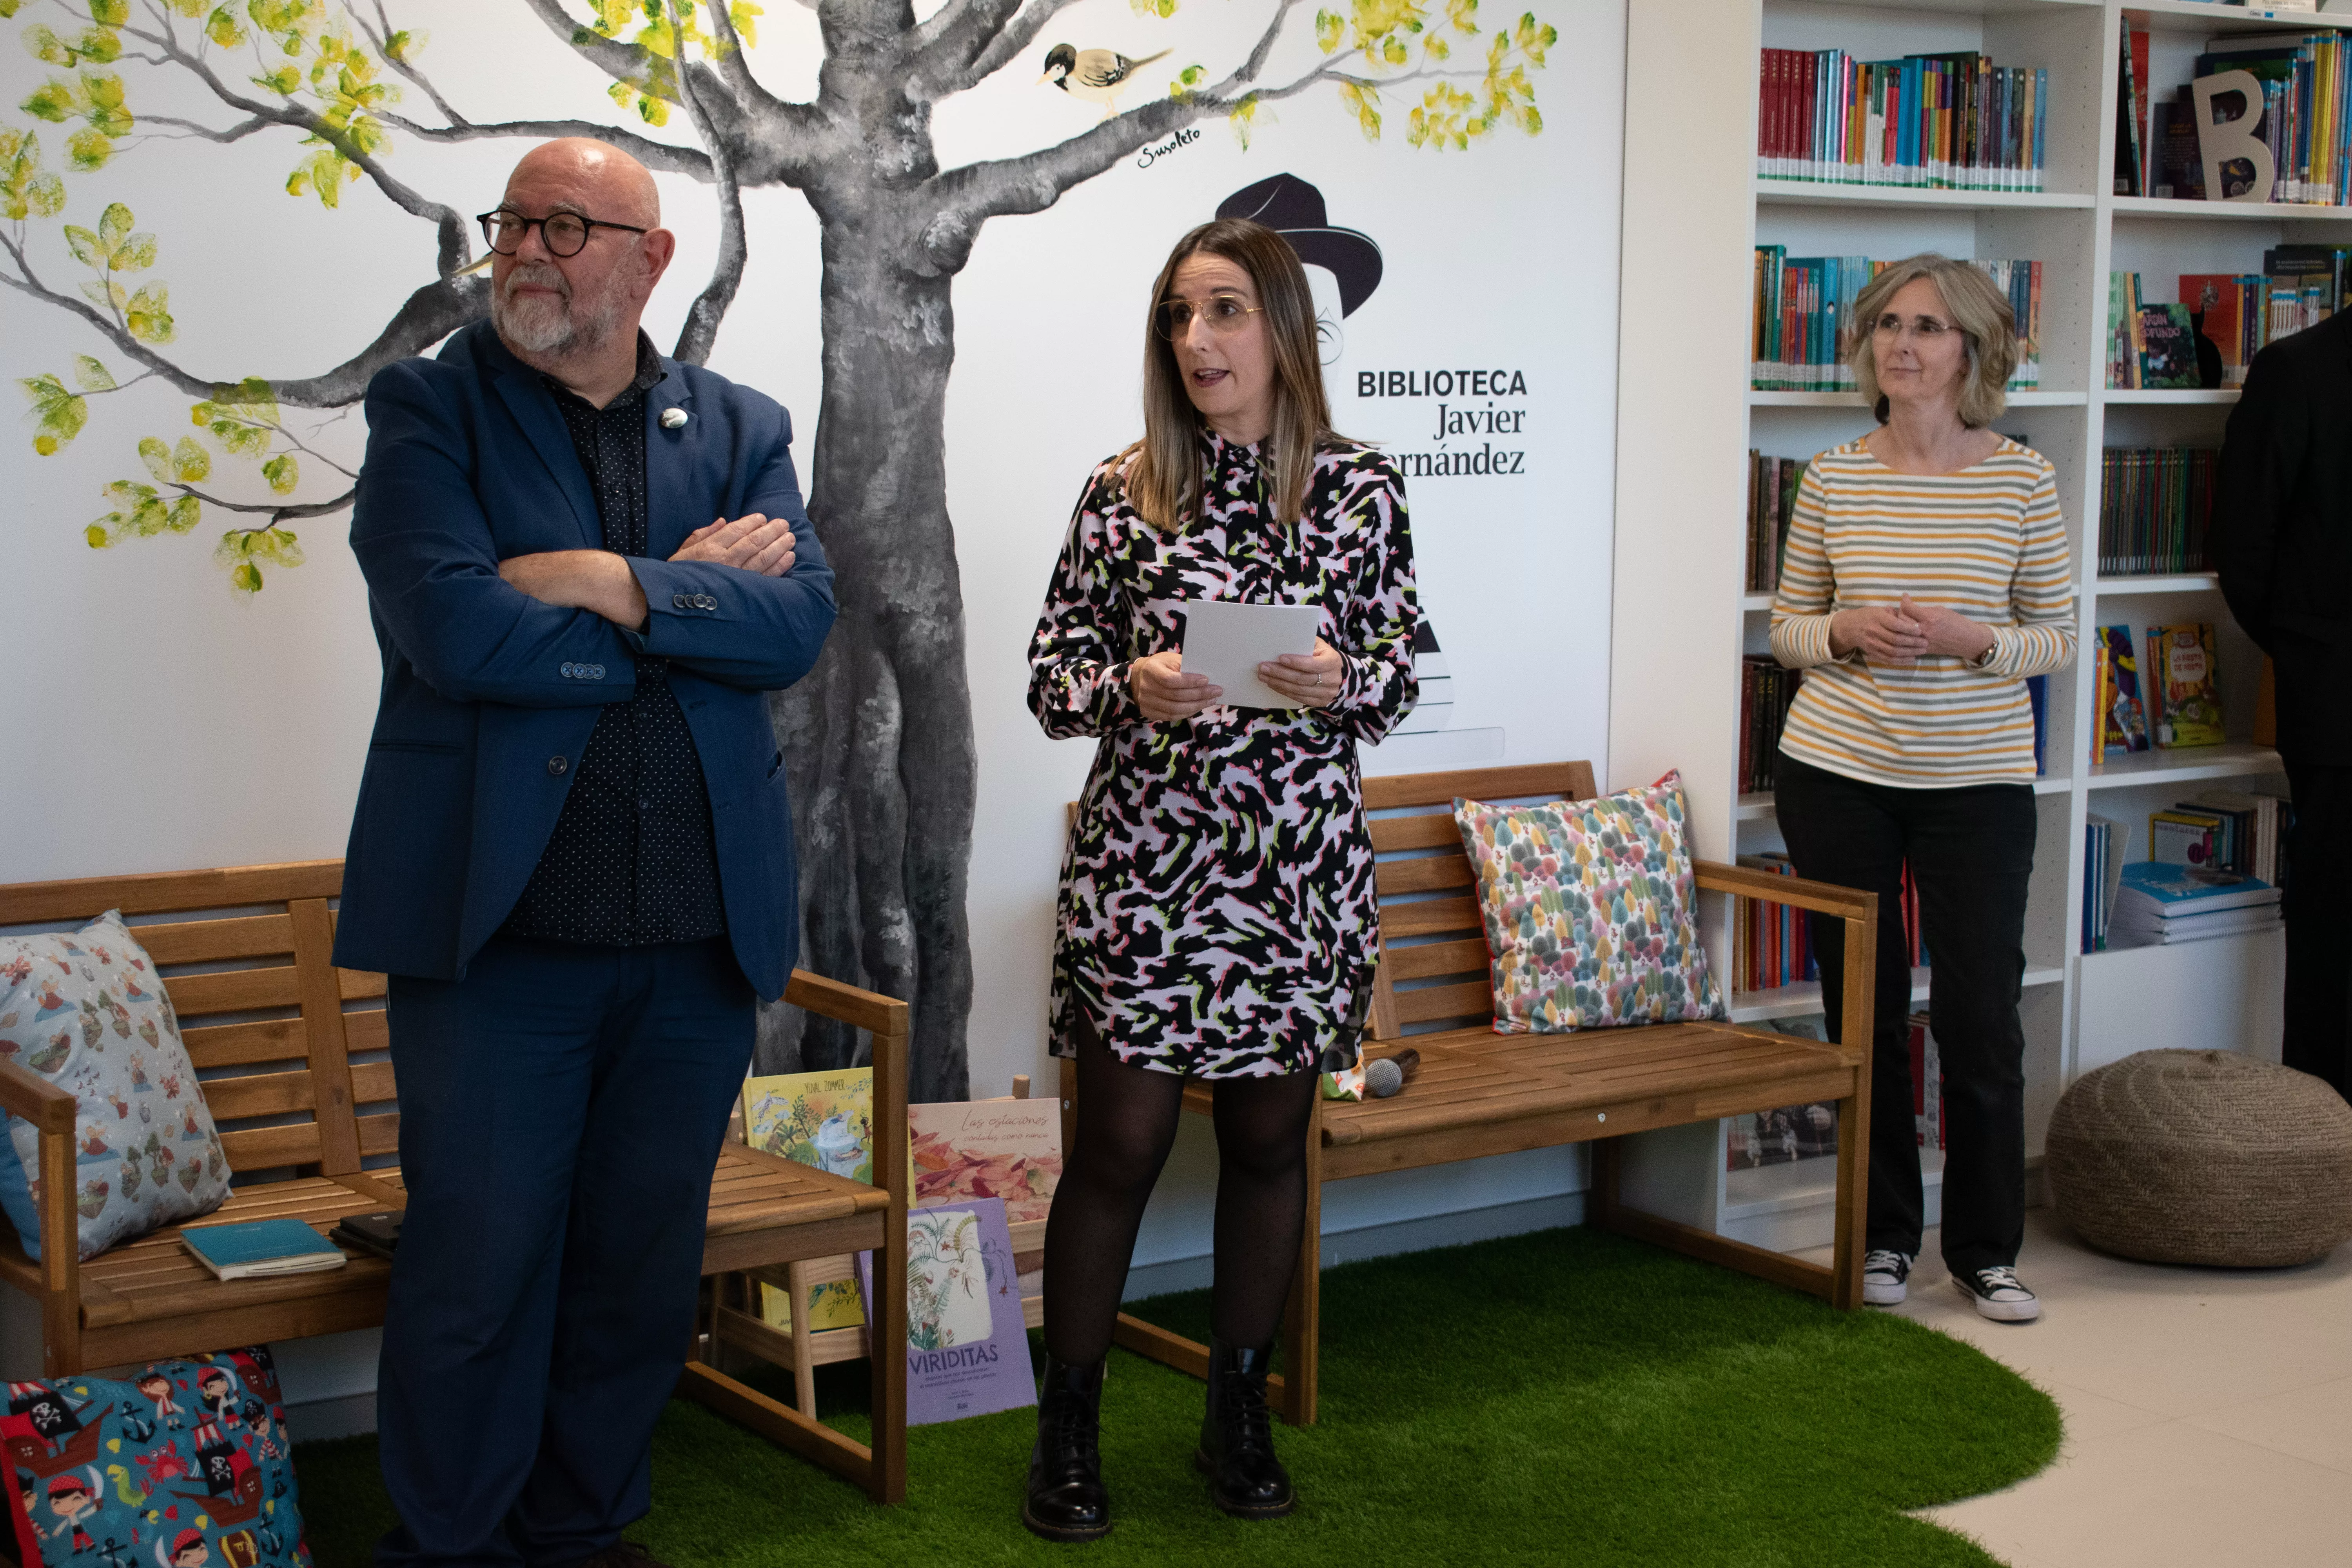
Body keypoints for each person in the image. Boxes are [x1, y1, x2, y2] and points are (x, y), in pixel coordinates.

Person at [330, 138, 835, 1568]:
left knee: (635, 1269)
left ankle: (583, 1530)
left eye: (564, 228)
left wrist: (607, 582)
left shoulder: (738, 428)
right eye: (514, 225)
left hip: (693, 944)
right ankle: (451, 1544)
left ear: (649, 258)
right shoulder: (430, 410)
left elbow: (797, 627)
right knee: (478, 1270)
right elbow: (456, 633)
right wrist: (684, 614)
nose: (525, 253)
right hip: (500, 945)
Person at [1022, 217, 1419, 1540]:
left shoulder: (1361, 491)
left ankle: (1235, 1414)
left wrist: (1340, 680)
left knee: (1264, 1142)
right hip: (1148, 869)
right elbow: (1051, 683)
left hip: (1295, 871)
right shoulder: (1121, 490)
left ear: (1285, 330)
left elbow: (1396, 681)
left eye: (1226, 311)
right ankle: (1068, 1430)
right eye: (1180, 316)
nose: (1197, 340)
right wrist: (1126, 687)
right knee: (1120, 1146)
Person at [1768, 254, 2074, 1325]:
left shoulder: (2023, 479)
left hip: (1976, 782)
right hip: (1837, 773)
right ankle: (1883, 1236)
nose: (1903, 344)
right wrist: (1844, 630)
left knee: (1982, 1017)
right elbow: (1788, 629)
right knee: (1865, 1012)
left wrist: (1972, 639)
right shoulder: (1833, 476)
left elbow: (2056, 636)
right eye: (1889, 325)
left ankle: (1986, 1252)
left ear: (1973, 350)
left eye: (1929, 327)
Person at [2214, 308, 2352, 1104]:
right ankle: (2323, 1138)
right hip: (2339, 704)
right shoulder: (2298, 369)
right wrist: (2311, 655)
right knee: (2336, 941)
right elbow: (2243, 546)